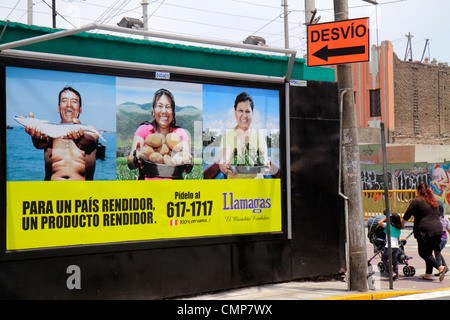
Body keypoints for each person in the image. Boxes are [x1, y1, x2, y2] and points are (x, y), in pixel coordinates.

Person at [25, 87, 99, 180]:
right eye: (64, 101)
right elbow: (39, 144)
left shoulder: (90, 130)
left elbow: (90, 143)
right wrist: (36, 138)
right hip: (52, 190)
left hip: (82, 191)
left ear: (80, 110)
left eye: (74, 101)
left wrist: (80, 138)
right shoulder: (49, 129)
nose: (69, 105)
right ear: (58, 108)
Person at [127, 88, 191, 180]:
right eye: (160, 106)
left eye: (168, 107)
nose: (164, 111)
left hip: (174, 191)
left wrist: (188, 162)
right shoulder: (143, 130)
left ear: (173, 112)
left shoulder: (180, 133)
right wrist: (135, 157)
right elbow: (130, 164)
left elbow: (188, 167)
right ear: (153, 110)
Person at [402, 183, 448, 281]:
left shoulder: (416, 201)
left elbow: (407, 215)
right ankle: (428, 274)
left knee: (423, 253)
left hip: (425, 231)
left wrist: (402, 224)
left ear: (418, 191)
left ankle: (440, 267)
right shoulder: (434, 201)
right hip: (438, 230)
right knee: (429, 252)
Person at [218, 92, 270, 179]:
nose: (244, 115)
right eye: (240, 111)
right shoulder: (228, 134)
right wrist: (224, 167)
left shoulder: (259, 135)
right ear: (235, 113)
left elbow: (264, 159)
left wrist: (266, 167)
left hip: (256, 186)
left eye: (247, 111)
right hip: (234, 188)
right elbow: (223, 160)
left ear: (252, 113)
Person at [377, 213, 402, 280]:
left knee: (384, 259)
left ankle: (391, 272)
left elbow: (379, 222)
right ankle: (396, 276)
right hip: (396, 246)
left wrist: (386, 218)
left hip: (389, 245)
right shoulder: (398, 228)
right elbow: (398, 238)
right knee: (394, 261)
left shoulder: (388, 225)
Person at [434, 204, 450, 272]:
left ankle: (441, 269)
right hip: (444, 239)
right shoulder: (446, 219)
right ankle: (445, 266)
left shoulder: (436, 219)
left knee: (437, 255)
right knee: (438, 252)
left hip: (438, 238)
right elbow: (449, 229)